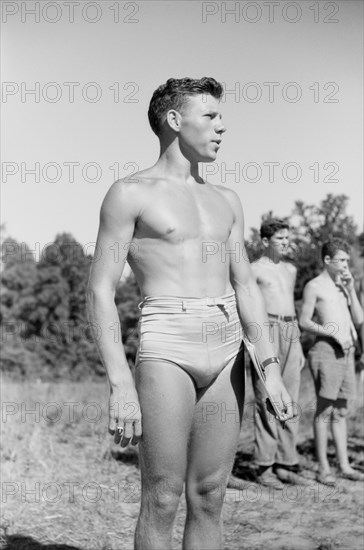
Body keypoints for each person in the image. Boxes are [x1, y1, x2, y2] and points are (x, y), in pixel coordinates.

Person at [87, 77, 294, 550]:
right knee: (162, 497)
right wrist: (120, 382)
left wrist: (270, 369)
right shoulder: (130, 192)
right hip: (166, 345)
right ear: (174, 121)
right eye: (211, 116)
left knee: (209, 494)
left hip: (227, 349)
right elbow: (100, 290)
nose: (222, 126)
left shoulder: (228, 200)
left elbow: (244, 286)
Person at [299, 238, 364, 485]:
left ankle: (345, 466)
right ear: (327, 261)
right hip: (326, 350)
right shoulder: (314, 286)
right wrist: (332, 332)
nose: (347, 264)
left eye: (348, 260)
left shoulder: (343, 286)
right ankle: (323, 468)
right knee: (325, 410)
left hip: (348, 354)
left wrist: (351, 290)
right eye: (343, 260)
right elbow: (304, 321)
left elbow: (359, 319)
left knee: (342, 411)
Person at [250, 219, 305, 488]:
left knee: (291, 398)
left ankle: (286, 462)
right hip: (266, 329)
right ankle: (264, 466)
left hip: (290, 329)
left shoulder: (291, 270)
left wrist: (299, 344)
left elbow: (292, 306)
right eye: (280, 238)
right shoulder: (253, 270)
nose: (286, 242)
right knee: (268, 398)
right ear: (265, 242)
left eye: (287, 238)